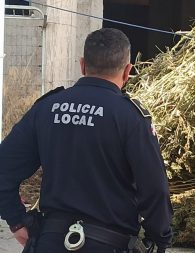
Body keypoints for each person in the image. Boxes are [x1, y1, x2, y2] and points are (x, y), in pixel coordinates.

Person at [0, 28, 173, 253]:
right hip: (110, 244)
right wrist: (159, 240)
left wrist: (16, 219)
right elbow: (155, 190)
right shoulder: (130, 118)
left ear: (82, 65)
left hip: (49, 242)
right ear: (128, 71)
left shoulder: (46, 108)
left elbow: (3, 166)